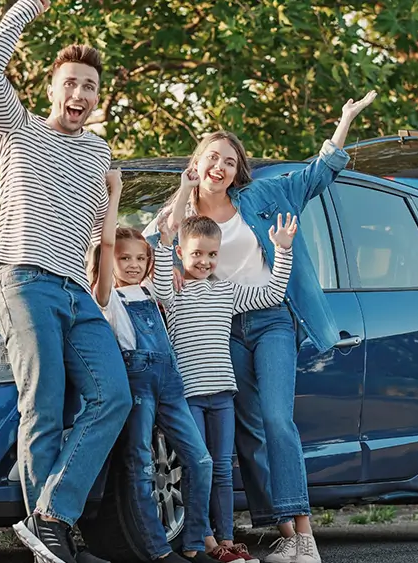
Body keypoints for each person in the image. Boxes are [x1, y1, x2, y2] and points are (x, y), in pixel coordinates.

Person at [147, 91, 377, 563]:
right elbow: (147, 253)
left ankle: (304, 534)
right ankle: (281, 530)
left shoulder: (261, 197)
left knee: (275, 418)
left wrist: (344, 123)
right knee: (248, 432)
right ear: (197, 163)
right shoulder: (177, 217)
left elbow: (317, 176)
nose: (221, 166)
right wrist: (180, 192)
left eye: (230, 161)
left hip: (270, 318)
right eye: (212, 157)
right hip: (219, 331)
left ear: (237, 172)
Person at [0, 1, 132, 562]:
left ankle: (51, 517)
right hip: (21, 278)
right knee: (42, 399)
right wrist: (25, 9)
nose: (81, 94)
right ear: (51, 89)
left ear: (96, 98)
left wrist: (113, 200)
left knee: (114, 394)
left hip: (75, 291)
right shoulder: (17, 132)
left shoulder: (99, 152)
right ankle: (54, 542)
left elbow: (100, 236)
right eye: (71, 83)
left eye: (90, 86)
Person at [154, 173, 298, 563]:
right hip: (188, 396)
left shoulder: (226, 291)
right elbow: (159, 251)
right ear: (182, 253)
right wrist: (170, 233)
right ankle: (199, 541)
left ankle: (226, 539)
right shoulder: (172, 289)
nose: (204, 261)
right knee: (197, 467)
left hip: (222, 395)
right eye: (196, 253)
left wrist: (281, 251)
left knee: (221, 468)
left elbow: (272, 294)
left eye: (212, 255)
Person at [89, 169, 215, 563]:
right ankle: (158, 551)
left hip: (170, 381)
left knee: (201, 459)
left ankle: (194, 541)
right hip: (138, 382)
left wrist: (185, 188)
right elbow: (107, 240)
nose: (132, 264)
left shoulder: (152, 288)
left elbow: (170, 231)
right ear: (109, 260)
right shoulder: (105, 298)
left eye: (139, 258)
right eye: (124, 258)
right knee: (139, 464)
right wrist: (115, 193)